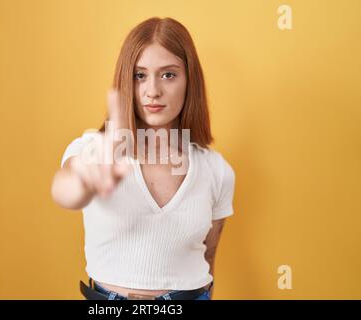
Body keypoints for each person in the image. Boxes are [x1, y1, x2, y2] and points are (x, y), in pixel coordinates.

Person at [51, 17, 236, 300]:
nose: (152, 91)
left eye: (168, 74)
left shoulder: (216, 169)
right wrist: (85, 176)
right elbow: (66, 191)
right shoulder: (94, 148)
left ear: (190, 81)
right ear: (126, 80)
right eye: (140, 75)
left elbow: (209, 259)